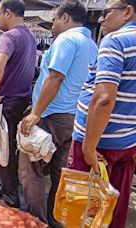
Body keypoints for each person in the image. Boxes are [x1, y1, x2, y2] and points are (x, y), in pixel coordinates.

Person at [19, 0, 98, 227]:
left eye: (54, 19)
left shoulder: (67, 39)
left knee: (31, 167)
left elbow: (55, 77)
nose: (52, 25)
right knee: (61, 173)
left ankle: (35, 219)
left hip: (52, 115)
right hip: (75, 117)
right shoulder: (91, 44)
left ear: (65, 18)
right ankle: (55, 219)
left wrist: (36, 112)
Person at [69, 0, 136, 227]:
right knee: (113, 208)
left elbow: (104, 98)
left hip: (98, 145)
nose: (100, 19)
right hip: (126, 144)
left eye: (106, 12)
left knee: (83, 211)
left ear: (128, 11)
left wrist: (88, 147)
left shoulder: (115, 40)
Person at [0, 0, 36, 208]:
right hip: (23, 100)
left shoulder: (9, 36)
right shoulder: (30, 36)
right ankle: (14, 192)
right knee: (15, 150)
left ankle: (11, 199)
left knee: (4, 151)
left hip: (8, 101)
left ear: (8, 13)